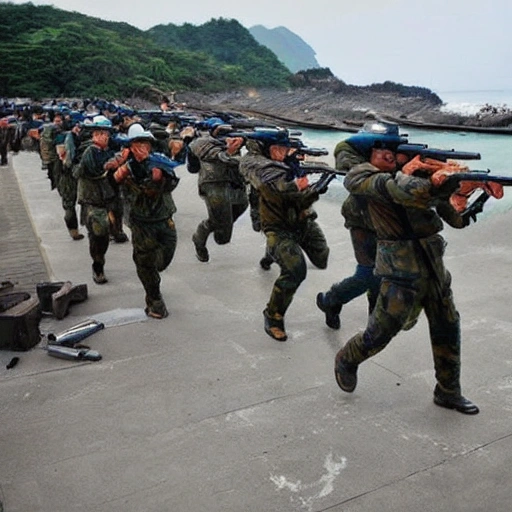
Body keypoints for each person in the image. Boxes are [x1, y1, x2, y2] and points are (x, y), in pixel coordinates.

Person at [334, 126, 481, 415]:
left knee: (447, 325)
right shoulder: (362, 178)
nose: (390, 155)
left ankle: (448, 391)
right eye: (382, 150)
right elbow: (400, 190)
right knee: (381, 332)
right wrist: (428, 178)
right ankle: (347, 358)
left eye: (394, 150)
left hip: (433, 264)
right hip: (399, 271)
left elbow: (455, 218)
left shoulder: (415, 177)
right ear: (368, 154)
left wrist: (463, 188)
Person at [239, 129, 330, 342]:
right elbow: (282, 189)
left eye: (285, 149)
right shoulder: (262, 169)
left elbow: (303, 201)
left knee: (321, 258)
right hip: (278, 226)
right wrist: (304, 186)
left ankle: (270, 255)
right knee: (295, 270)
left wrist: (315, 185)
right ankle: (273, 316)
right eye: (277, 149)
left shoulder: (291, 166)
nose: (282, 152)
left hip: (303, 221)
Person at [105, 124, 180, 319]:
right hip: (141, 221)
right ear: (130, 146)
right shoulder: (124, 163)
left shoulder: (158, 162)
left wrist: (158, 179)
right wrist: (116, 172)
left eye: (145, 143)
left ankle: (149, 275)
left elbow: (171, 183)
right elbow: (110, 182)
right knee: (146, 261)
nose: (142, 148)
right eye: (137, 143)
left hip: (164, 217)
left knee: (163, 258)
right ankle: (154, 300)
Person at [316, 135, 382, 329]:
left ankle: (376, 314)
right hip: (360, 222)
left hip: (386, 224)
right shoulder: (359, 163)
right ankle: (331, 300)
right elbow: (344, 157)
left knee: (382, 272)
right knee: (367, 273)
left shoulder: (400, 162)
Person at [187, 120, 248, 262]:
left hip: (234, 182)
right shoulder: (202, 143)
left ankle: (219, 224)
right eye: (221, 130)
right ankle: (199, 238)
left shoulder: (236, 140)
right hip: (214, 184)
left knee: (241, 206)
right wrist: (230, 150)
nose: (225, 134)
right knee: (222, 230)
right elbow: (220, 157)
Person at [73, 115, 117, 284]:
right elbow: (95, 171)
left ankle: (99, 261)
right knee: (98, 232)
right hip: (91, 200)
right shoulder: (90, 152)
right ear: (94, 135)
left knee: (103, 235)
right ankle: (98, 266)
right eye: (100, 133)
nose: (104, 136)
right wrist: (112, 163)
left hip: (105, 198)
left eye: (105, 133)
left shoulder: (105, 151)